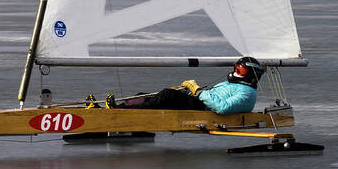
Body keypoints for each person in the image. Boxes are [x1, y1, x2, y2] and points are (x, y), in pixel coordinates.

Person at [85, 57, 265, 115]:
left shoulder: (248, 93)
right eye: (236, 68)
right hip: (200, 102)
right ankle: (111, 110)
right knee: (145, 96)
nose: (235, 71)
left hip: (205, 111)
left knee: (167, 96)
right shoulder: (231, 83)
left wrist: (197, 90)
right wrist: (189, 90)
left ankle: (117, 114)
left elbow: (222, 107)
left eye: (240, 69)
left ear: (250, 74)